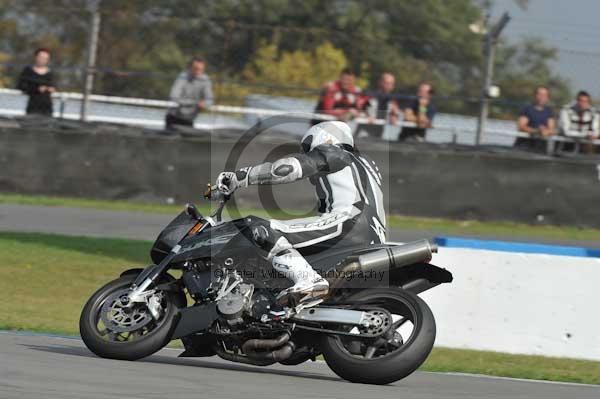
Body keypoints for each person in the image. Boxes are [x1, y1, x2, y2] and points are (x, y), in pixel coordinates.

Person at [215, 121, 387, 304]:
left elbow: (286, 169)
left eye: (307, 147)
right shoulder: (364, 164)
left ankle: (309, 281)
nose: (307, 151)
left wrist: (242, 177)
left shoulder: (335, 153)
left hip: (348, 224)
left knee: (262, 228)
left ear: (324, 137)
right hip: (373, 238)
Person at [165, 56, 214, 129]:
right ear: (190, 68)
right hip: (174, 117)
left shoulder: (205, 80)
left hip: (189, 119)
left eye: (201, 69)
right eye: (196, 69)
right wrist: (195, 103)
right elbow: (174, 96)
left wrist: (204, 104)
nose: (198, 71)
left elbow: (210, 100)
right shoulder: (182, 77)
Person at [358, 72, 401, 138]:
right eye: (386, 83)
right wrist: (366, 115)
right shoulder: (369, 95)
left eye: (391, 84)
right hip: (363, 134)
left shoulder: (393, 101)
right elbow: (358, 108)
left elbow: (396, 114)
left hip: (381, 136)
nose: (388, 86)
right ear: (380, 82)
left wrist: (394, 116)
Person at [16, 48, 56, 116]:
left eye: (45, 58)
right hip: (32, 107)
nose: (43, 60)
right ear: (36, 57)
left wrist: (51, 89)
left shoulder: (51, 73)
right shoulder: (28, 71)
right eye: (41, 57)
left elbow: (54, 86)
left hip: (47, 109)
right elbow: (21, 86)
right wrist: (37, 89)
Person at [516, 86, 556, 151]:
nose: (542, 97)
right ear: (535, 95)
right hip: (524, 146)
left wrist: (546, 131)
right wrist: (536, 131)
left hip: (542, 148)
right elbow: (521, 126)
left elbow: (552, 129)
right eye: (540, 94)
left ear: (547, 98)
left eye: (544, 95)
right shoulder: (527, 109)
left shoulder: (549, 112)